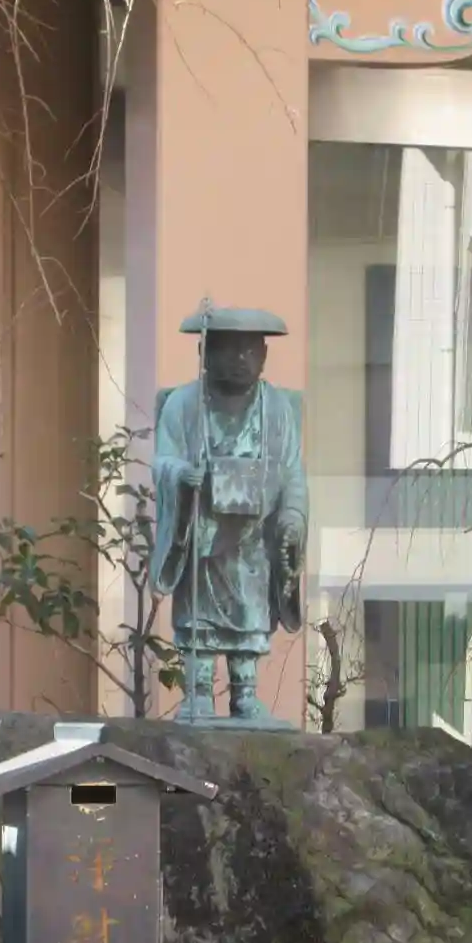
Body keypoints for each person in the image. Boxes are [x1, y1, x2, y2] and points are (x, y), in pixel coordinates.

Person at [152, 306, 307, 722]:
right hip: (202, 530)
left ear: (264, 356)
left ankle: (245, 694)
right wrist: (180, 474)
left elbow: (292, 472)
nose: (240, 359)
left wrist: (292, 517)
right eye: (229, 349)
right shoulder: (183, 405)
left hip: (253, 535)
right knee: (199, 615)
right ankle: (198, 691)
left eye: (250, 350)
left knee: (250, 614)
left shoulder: (278, 410)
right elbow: (162, 459)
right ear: (204, 352)